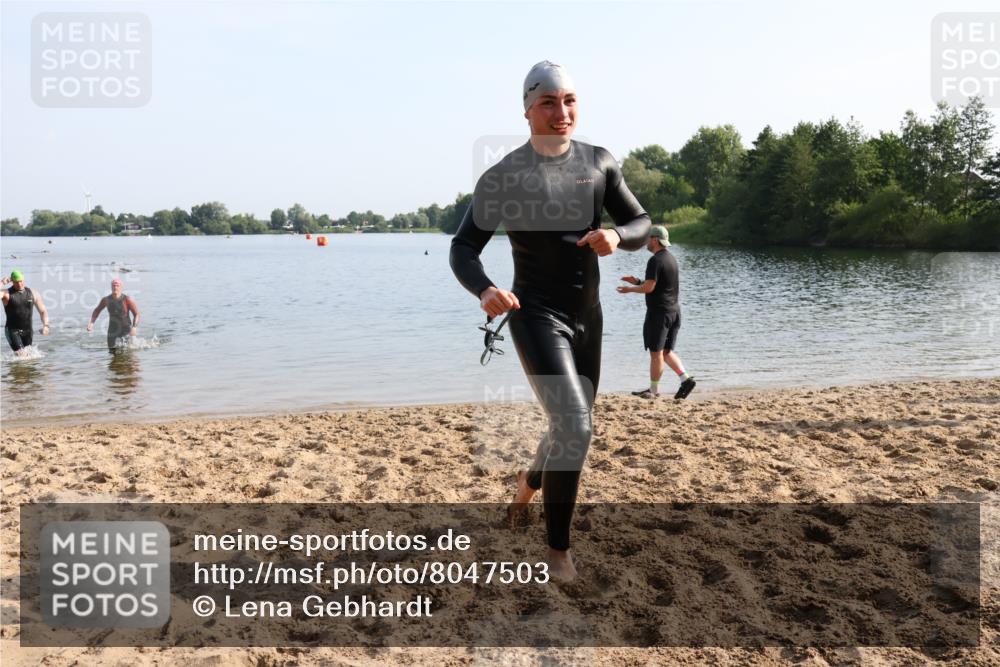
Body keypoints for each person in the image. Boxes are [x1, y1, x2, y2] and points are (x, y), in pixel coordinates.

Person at [450, 61, 650, 581]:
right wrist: (485, 289)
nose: (561, 112)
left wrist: (617, 236)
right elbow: (463, 248)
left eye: (569, 101)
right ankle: (558, 553)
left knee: (568, 426)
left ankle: (527, 484)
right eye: (548, 102)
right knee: (575, 426)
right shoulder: (505, 176)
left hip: (589, 318)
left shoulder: (599, 162)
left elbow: (640, 221)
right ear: (527, 110)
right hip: (536, 316)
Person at [618, 225, 696, 399]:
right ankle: (686, 379)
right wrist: (637, 281)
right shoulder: (671, 259)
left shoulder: (655, 260)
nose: (646, 242)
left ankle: (653, 390)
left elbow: (649, 288)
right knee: (666, 352)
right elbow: (658, 284)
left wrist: (629, 289)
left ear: (654, 240)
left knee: (656, 354)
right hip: (674, 312)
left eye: (648, 238)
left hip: (659, 314)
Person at [2, 270, 50, 355]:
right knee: (22, 355)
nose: (19, 284)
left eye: (21, 281)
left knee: (29, 357)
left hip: (28, 331)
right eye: (16, 282)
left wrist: (46, 326)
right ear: (12, 282)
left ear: (24, 279)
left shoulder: (33, 293)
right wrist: (2, 283)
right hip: (12, 330)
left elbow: (43, 311)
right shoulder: (6, 294)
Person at [87, 278, 140, 351]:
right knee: (112, 351)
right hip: (112, 330)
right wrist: (91, 323)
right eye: (113, 286)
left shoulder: (127, 299)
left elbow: (137, 314)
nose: (115, 287)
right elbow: (97, 310)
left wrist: (134, 327)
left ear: (121, 287)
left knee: (128, 352)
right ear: (111, 287)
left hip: (126, 329)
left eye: (117, 286)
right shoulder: (106, 300)